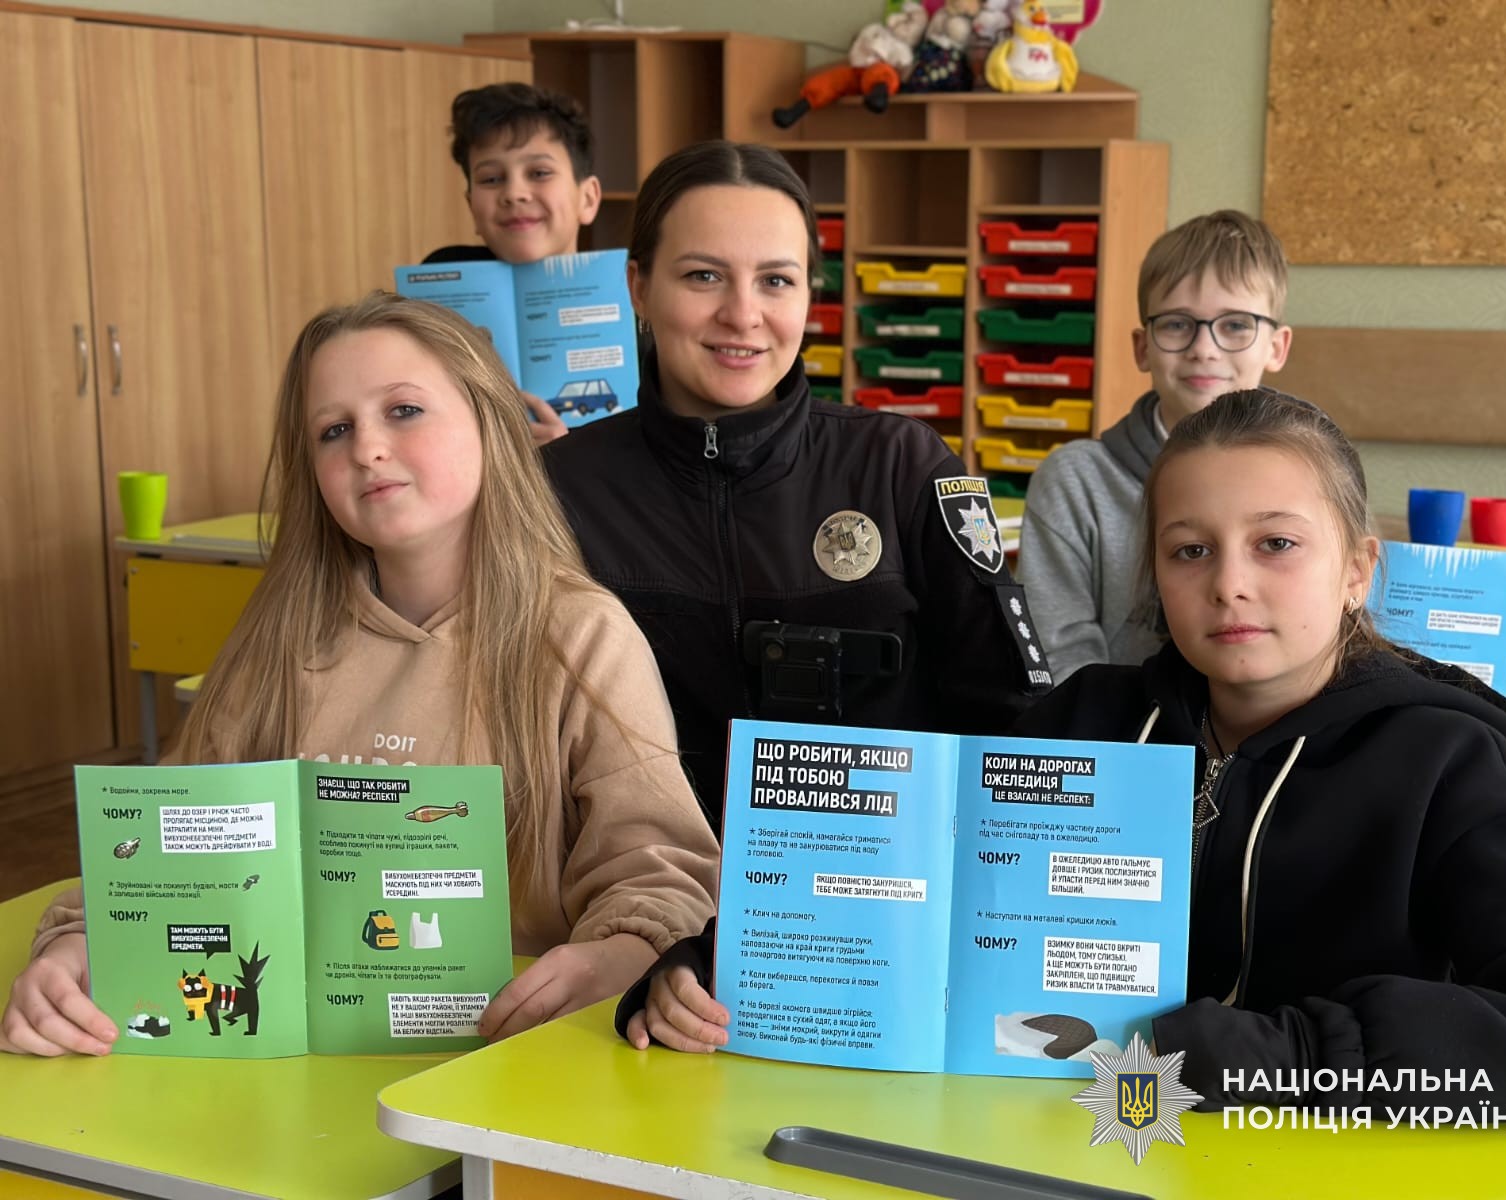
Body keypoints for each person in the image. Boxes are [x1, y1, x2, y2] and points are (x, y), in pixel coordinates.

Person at [616, 389, 1506, 1125]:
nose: (1230, 584)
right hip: (1059, 1148)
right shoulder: (1085, 721)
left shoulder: (1446, 763)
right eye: (1190, 550)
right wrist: (719, 966)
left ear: (1356, 568)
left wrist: (1286, 1058)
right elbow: (915, 899)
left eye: (1276, 544)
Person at [1, 293, 719, 1057]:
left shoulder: (580, 635)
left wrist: (618, 956)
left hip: (499, 1063)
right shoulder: (279, 637)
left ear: (493, 422)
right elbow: (162, 844)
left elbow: (656, 873)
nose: (367, 449)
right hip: (289, 1069)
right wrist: (78, 948)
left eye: (404, 411)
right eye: (333, 430)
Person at [542, 140, 1053, 833]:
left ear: (810, 293)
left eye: (776, 281)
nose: (742, 314)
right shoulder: (557, 488)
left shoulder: (902, 465)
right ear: (638, 287)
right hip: (645, 887)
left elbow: (1013, 727)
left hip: (870, 888)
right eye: (703, 276)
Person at [1020, 210, 1293, 682]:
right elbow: (1058, 665)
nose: (1204, 348)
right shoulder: (1076, 482)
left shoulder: (1313, 478)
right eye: (1176, 324)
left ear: (1276, 347)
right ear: (1142, 346)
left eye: (1235, 325)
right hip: (1118, 726)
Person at [424, 82, 606, 446]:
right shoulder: (438, 282)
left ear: (587, 199)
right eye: (491, 179)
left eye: (539, 173)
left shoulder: (630, 300)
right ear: (471, 207)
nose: (514, 193)